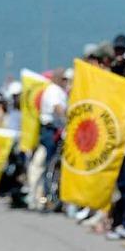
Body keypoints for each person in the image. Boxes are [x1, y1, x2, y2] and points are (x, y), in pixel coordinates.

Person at [38, 68, 68, 204]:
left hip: (53, 128)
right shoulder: (54, 90)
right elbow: (58, 108)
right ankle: (48, 194)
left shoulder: (55, 90)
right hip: (51, 129)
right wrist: (67, 120)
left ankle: (51, 193)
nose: (65, 82)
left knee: (52, 162)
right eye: (64, 79)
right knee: (51, 162)